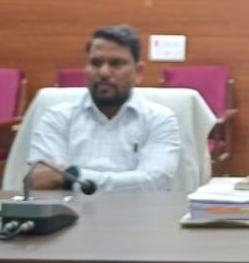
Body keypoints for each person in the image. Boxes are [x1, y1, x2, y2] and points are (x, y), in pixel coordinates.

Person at [28, 25, 181, 191]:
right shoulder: (57, 117)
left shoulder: (159, 120)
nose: (104, 72)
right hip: (67, 208)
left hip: (137, 208)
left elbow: (153, 183)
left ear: (138, 72)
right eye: (95, 63)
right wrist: (128, 182)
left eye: (116, 64)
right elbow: (42, 180)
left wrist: (71, 177)